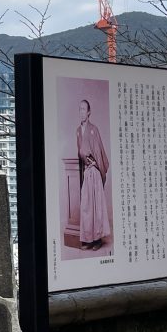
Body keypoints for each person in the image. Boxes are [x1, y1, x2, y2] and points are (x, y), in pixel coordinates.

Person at [76, 99, 110, 250]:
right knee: (87, 206)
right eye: (80, 109)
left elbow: (99, 151)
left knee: (96, 206)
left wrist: (96, 164)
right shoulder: (78, 131)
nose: (82, 112)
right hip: (86, 171)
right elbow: (80, 152)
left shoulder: (93, 129)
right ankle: (89, 239)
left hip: (94, 171)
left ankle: (98, 240)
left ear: (89, 112)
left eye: (84, 109)